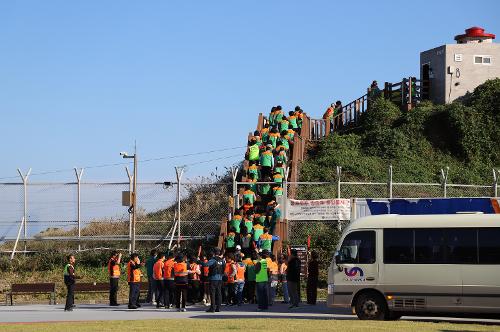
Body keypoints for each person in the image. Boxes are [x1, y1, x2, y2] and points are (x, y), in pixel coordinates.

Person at [206, 248, 225, 313]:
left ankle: (212, 308)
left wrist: (199, 261)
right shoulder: (222, 260)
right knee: (219, 293)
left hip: (213, 278)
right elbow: (224, 268)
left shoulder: (213, 260)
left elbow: (206, 265)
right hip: (220, 278)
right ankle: (218, 308)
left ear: (214, 253)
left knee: (213, 293)